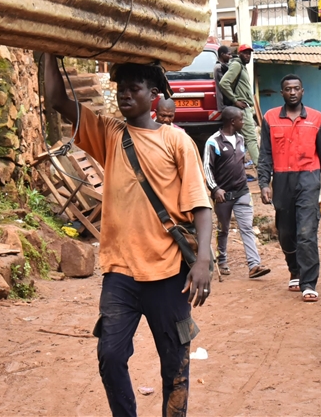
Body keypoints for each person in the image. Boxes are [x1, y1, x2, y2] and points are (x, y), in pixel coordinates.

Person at [43, 55, 212, 417]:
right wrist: (48, 49)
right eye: (121, 89)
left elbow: (200, 204)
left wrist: (203, 260)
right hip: (120, 272)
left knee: (175, 366)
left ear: (153, 94)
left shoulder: (176, 142)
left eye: (134, 89)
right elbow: (57, 99)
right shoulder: (109, 133)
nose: (124, 96)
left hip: (169, 275)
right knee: (110, 354)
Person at [257, 74, 321, 302]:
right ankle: (294, 269)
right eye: (287, 89)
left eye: (296, 89)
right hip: (282, 180)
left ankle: (309, 282)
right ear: (282, 92)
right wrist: (264, 182)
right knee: (286, 233)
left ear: (303, 91)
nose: (292, 92)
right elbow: (265, 154)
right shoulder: (270, 118)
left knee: (306, 232)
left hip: (308, 179)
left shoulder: (317, 118)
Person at [204, 107, 271, 279]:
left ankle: (254, 265)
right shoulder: (213, 142)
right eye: (242, 119)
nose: (244, 122)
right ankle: (222, 259)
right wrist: (215, 189)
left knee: (247, 228)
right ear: (233, 121)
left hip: (242, 191)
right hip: (223, 195)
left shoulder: (241, 139)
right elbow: (207, 169)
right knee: (223, 229)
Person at [220, 44, 260, 165]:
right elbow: (224, 83)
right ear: (239, 53)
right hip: (241, 108)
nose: (247, 56)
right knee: (251, 139)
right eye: (245, 53)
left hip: (245, 107)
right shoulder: (237, 65)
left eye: (249, 53)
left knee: (241, 139)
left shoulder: (242, 66)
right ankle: (261, 167)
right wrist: (235, 99)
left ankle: (235, 165)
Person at [213, 45, 233, 109]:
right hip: (224, 102)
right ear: (222, 54)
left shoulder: (224, 66)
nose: (230, 57)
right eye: (228, 54)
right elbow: (225, 83)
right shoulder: (219, 67)